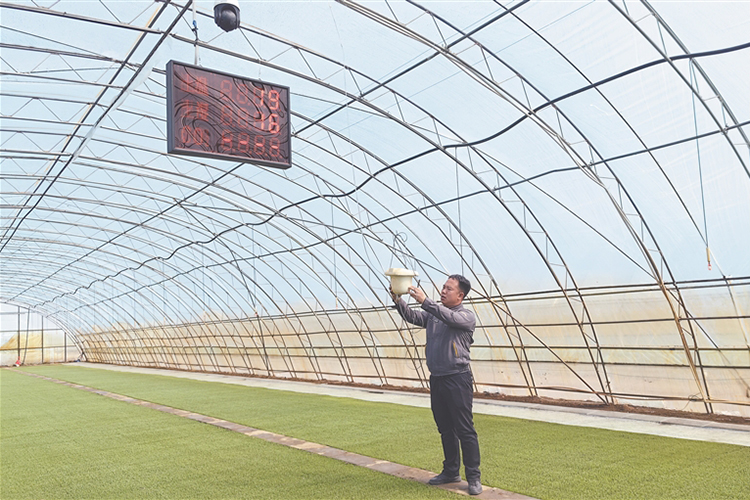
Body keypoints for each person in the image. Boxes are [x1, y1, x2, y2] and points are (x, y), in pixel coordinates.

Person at [391, 274, 482, 496]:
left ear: (460, 295)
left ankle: (473, 477)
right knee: (445, 428)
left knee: (465, 429)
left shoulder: (466, 317)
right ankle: (451, 471)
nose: (443, 291)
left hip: (458, 378)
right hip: (438, 379)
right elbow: (413, 316)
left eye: (449, 289)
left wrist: (426, 302)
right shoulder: (434, 315)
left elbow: (449, 318)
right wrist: (398, 300)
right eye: (443, 287)